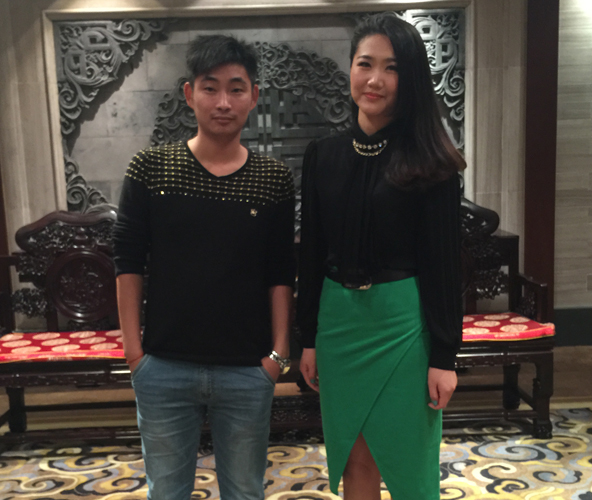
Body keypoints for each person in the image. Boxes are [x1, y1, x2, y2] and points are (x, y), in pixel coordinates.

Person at [113, 34, 295, 500]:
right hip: (164, 367)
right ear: (189, 93)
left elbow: (280, 272)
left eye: (236, 89)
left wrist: (277, 356)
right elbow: (128, 262)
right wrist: (134, 354)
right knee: (166, 493)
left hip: (247, 371)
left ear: (254, 96)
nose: (223, 102)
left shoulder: (273, 179)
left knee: (245, 492)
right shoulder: (151, 169)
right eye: (210, 88)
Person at [297, 13, 465, 500]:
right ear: (350, 68)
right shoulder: (322, 154)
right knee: (355, 455)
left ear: (408, 78)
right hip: (339, 325)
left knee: (411, 461)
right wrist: (308, 338)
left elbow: (444, 265)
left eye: (390, 68)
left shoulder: (432, 160)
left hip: (403, 326)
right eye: (364, 64)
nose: (374, 79)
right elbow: (311, 253)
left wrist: (444, 356)